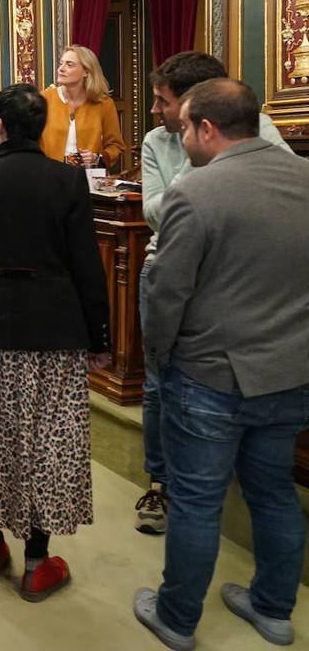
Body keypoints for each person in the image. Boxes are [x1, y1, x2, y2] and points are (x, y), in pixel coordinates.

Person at [133, 79, 309, 651]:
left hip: (210, 375)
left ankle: (178, 618)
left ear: (207, 128)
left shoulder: (196, 193)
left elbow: (166, 295)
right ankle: (273, 610)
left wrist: (160, 360)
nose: (180, 138)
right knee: (275, 493)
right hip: (290, 372)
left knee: (196, 501)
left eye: (183, 128)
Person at [0, 83, 111, 603]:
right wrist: (98, 335)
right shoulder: (67, 181)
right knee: (46, 443)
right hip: (54, 330)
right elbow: (86, 266)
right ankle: (37, 562)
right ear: (39, 128)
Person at [133, 51, 292, 536]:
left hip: (242, 276)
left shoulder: (258, 130)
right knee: (159, 383)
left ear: (195, 107)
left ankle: (214, 480)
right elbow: (155, 212)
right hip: (169, 265)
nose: (156, 110)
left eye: (163, 102)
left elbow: (285, 200)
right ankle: (160, 481)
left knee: (220, 387)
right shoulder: (158, 140)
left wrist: (211, 164)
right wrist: (201, 163)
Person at [40, 45, 125, 169]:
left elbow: (115, 146)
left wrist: (97, 158)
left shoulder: (104, 103)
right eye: (61, 63)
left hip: (88, 178)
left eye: (69, 65)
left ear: (86, 71)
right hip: (49, 176)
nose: (61, 69)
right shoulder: (44, 99)